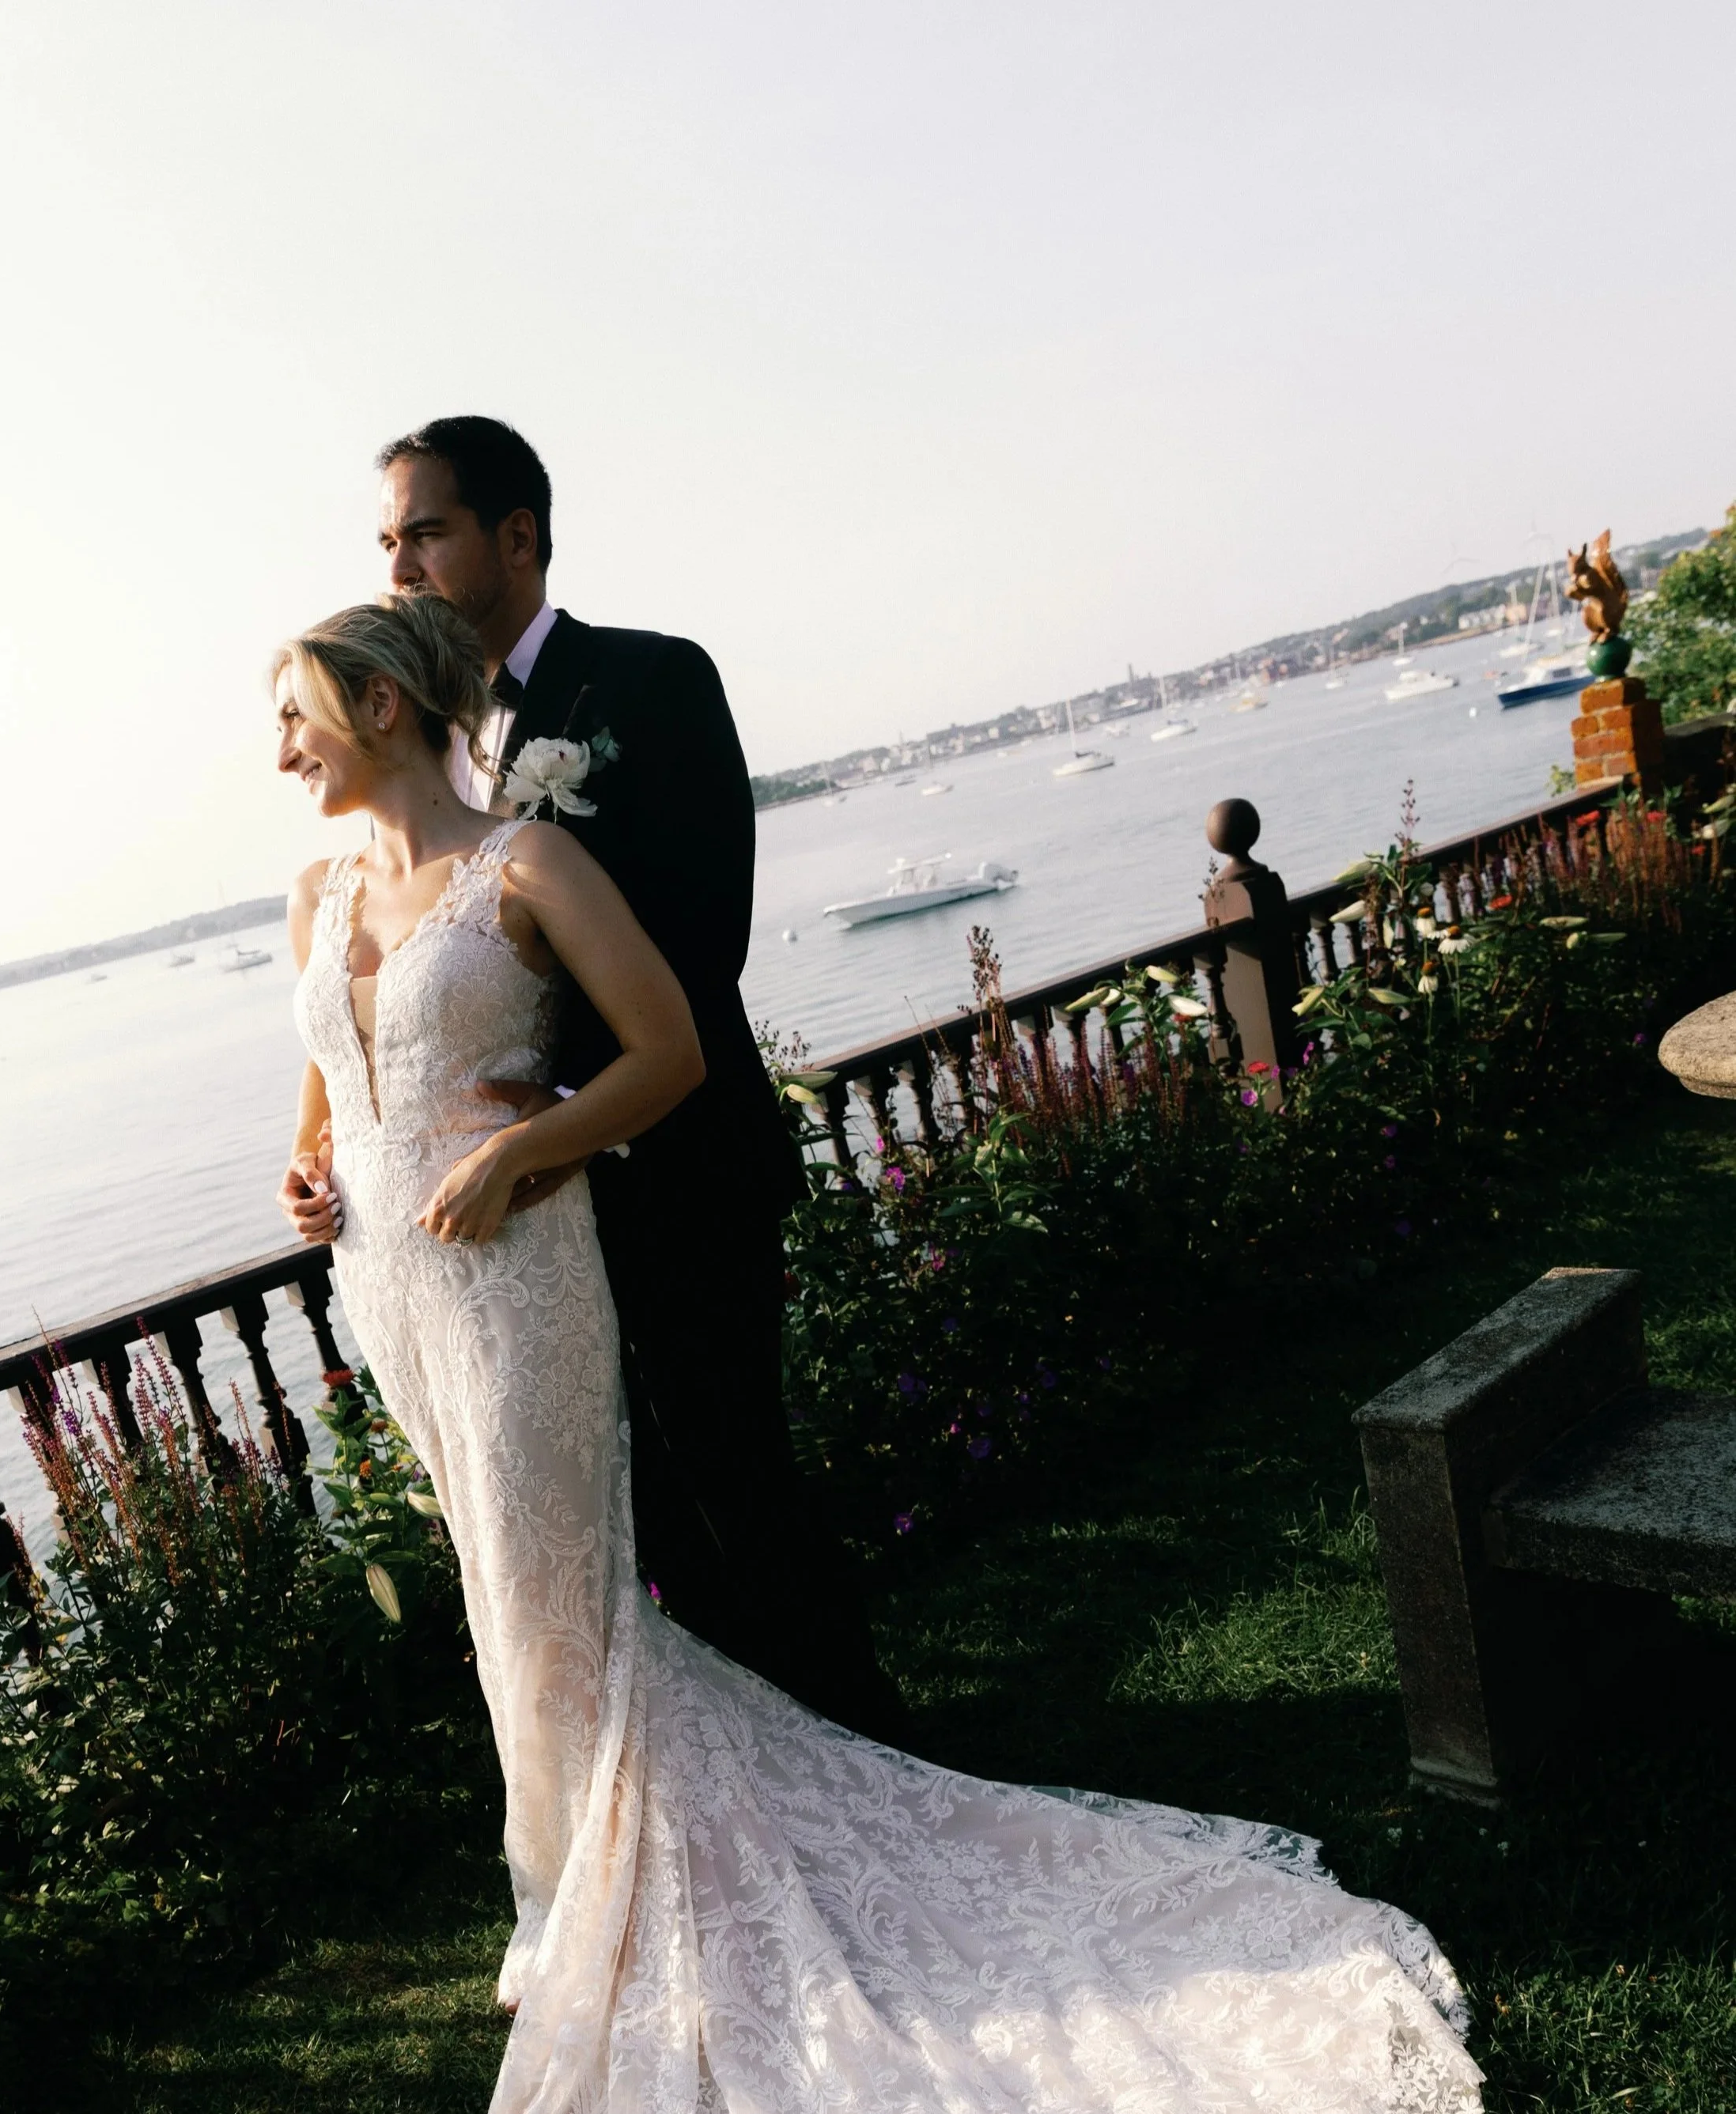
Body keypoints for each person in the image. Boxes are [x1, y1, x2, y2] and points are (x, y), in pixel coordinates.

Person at [273, 591, 1484, 2112]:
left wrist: (532, 1153)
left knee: (545, 1579)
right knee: (487, 1576)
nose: (277, 753)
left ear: (379, 708)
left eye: (293, 715)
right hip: (393, 1285)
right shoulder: (313, 895)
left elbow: (669, 1053)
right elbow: (325, 1101)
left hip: (519, 1273)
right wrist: (309, 1177)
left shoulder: (530, 860)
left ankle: (572, 1895)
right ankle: (570, 1865)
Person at [365, 414, 906, 1740]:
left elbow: (703, 938)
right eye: (385, 541)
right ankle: (759, 1787)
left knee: (738, 1484)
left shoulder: (653, 682)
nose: (400, 569)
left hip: (677, 1169)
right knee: (645, 1517)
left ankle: (867, 1752)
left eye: (424, 532)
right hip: (539, 1235)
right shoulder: (433, 748)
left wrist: (552, 1119)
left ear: (519, 536)